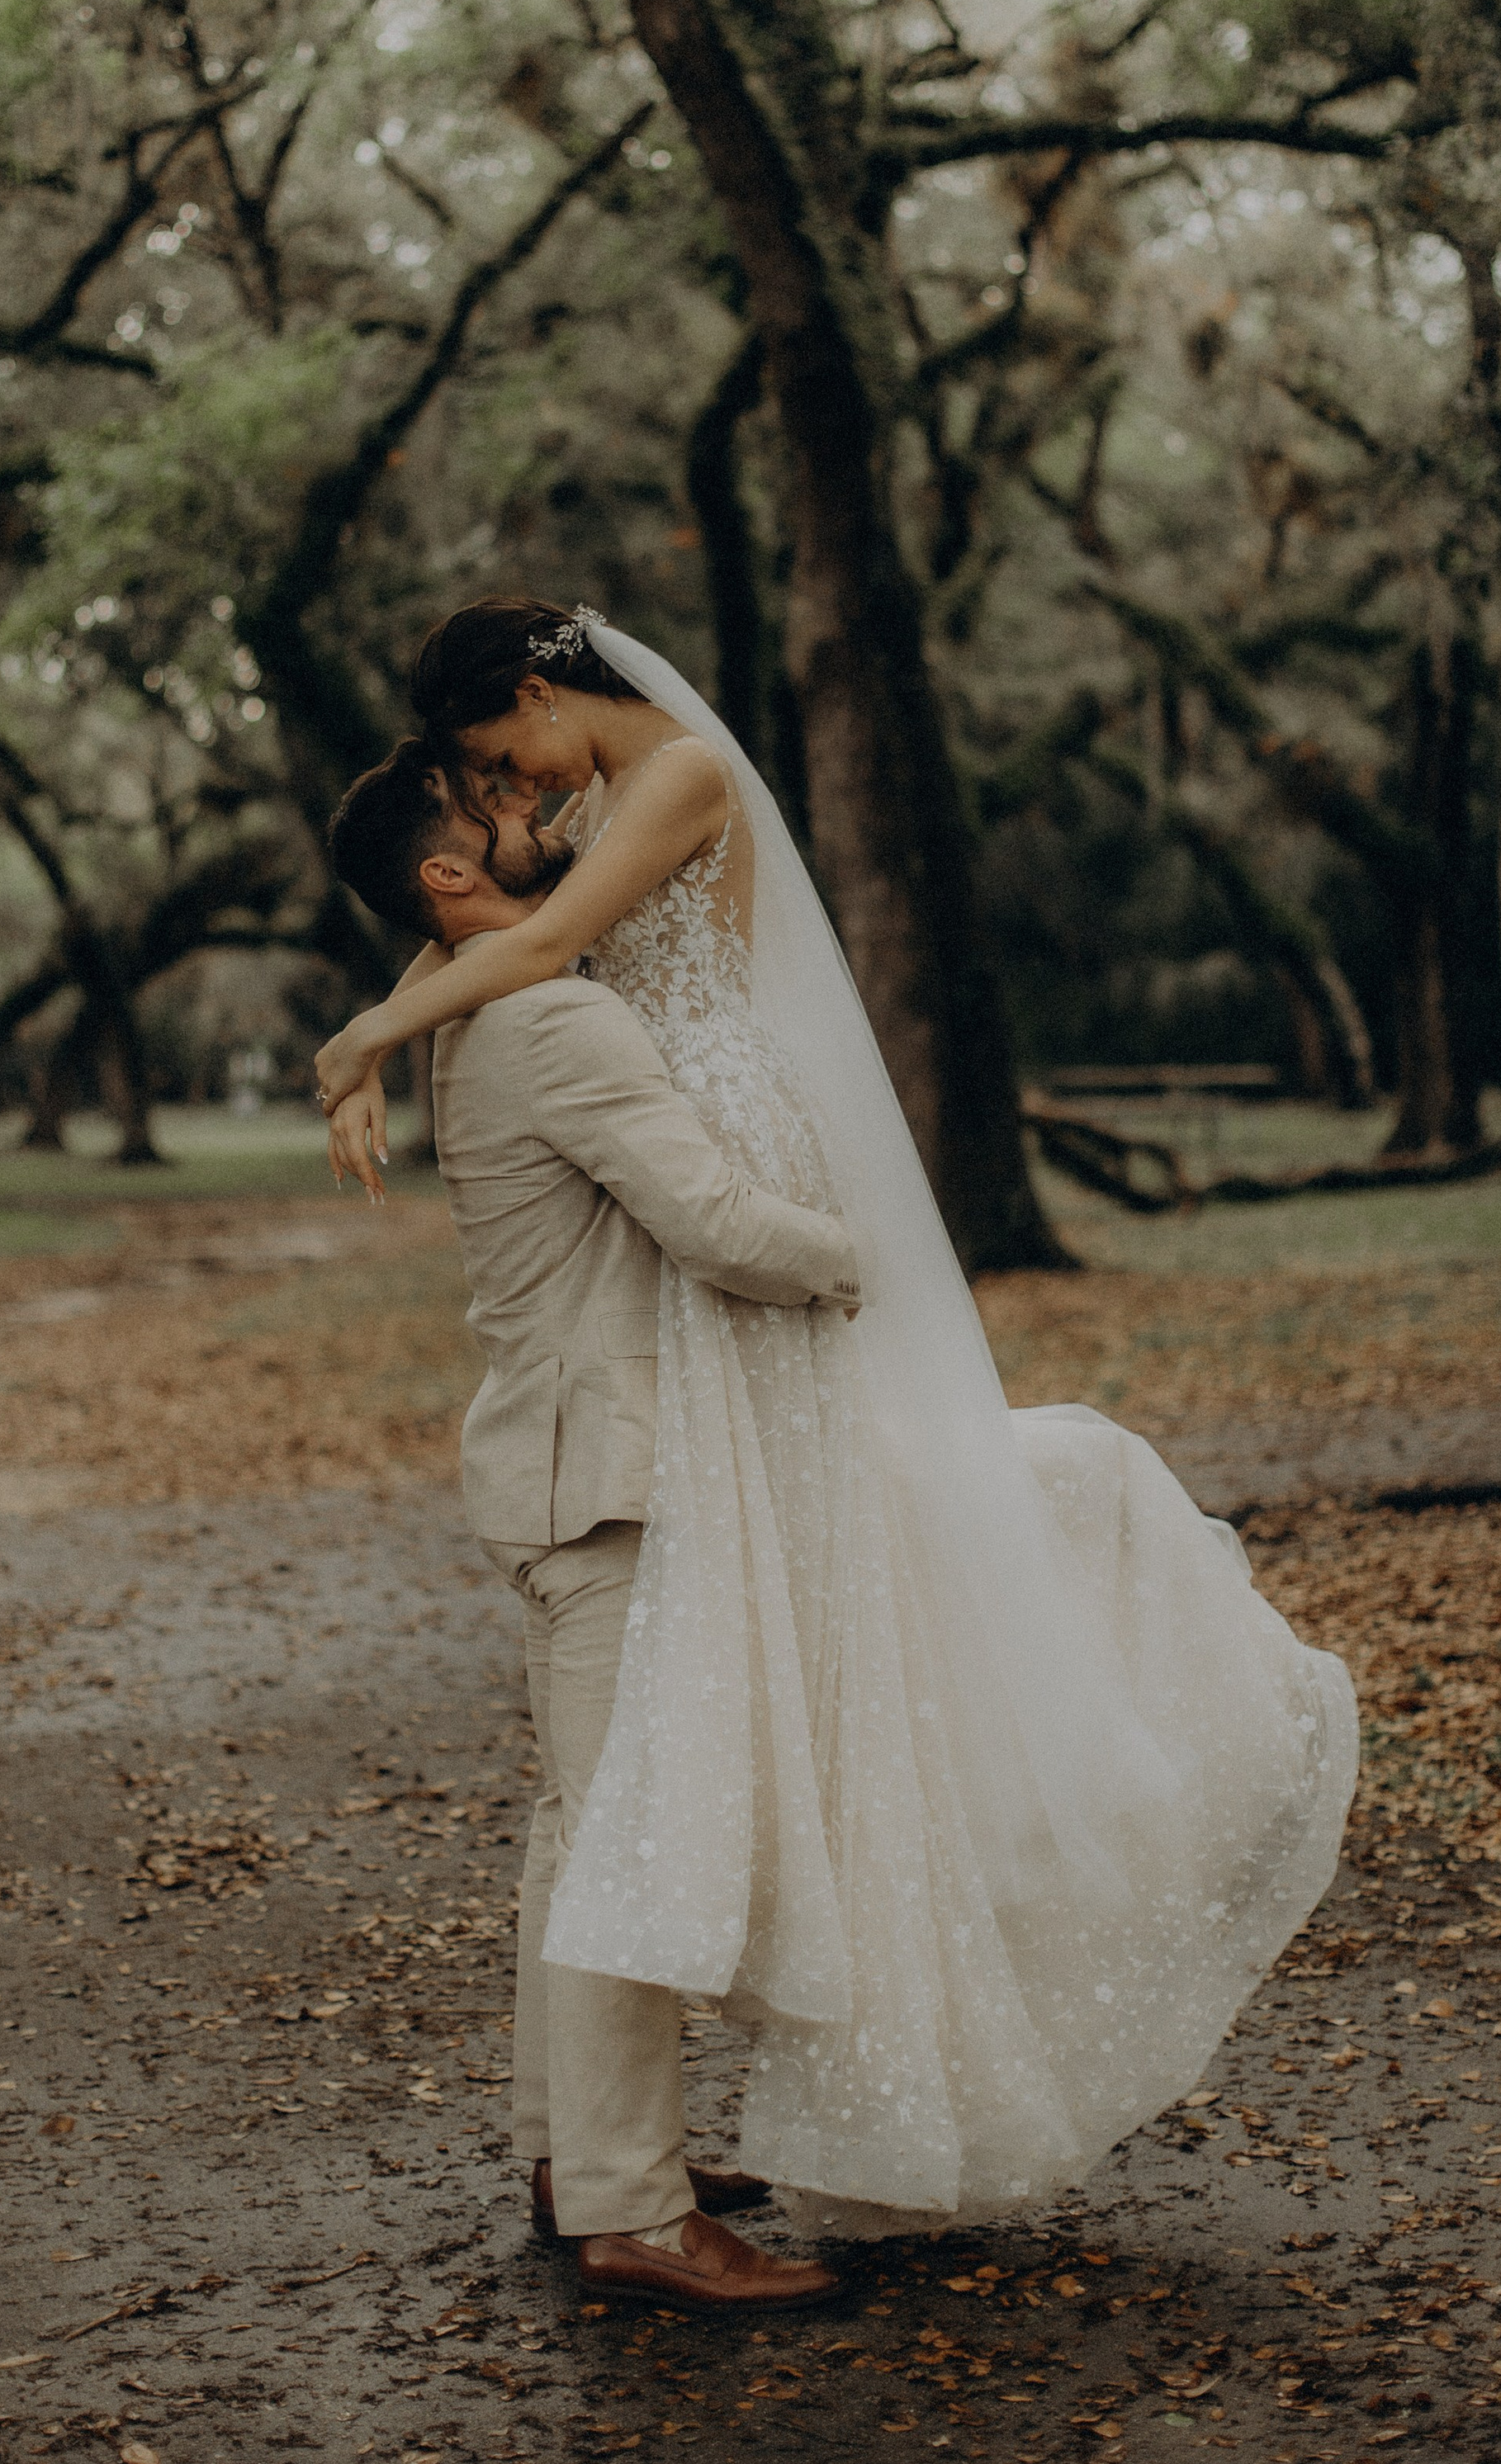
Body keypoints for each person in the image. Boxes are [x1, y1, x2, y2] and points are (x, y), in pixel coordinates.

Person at [320, 602, 1359, 2235]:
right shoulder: (560, 874)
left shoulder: (666, 778)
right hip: (685, 1189)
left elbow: (503, 931)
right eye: (481, 790)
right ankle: (606, 2177)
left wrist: (373, 1037)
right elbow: (476, 919)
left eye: (494, 758)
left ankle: (598, 2155)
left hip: (712, 1138)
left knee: (648, 1757)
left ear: (538, 693)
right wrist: (390, 1014)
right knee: (625, 1790)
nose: (509, 796)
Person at [325, 735, 862, 2314]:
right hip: (607, 1478)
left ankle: (580, 2151)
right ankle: (633, 2206)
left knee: (580, 1831)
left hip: (558, 1466)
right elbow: (719, 1228)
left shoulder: (464, 994)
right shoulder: (548, 1014)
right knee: (624, 1835)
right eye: (502, 802)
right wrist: (876, 1259)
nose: (544, 808)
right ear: (449, 872)